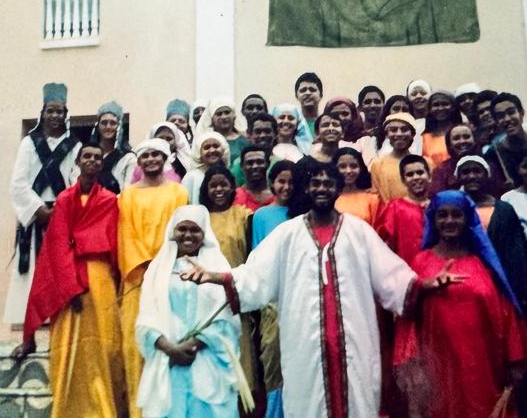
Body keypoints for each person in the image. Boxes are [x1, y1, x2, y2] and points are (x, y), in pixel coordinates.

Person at [178, 158, 425, 418]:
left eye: (328, 184)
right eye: (316, 183)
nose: (322, 188)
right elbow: (255, 275)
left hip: (355, 343)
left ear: (337, 189)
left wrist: (423, 285)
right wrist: (217, 277)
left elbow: (390, 274)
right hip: (304, 343)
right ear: (306, 188)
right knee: (307, 397)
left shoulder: (359, 232)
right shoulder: (288, 234)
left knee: (357, 397)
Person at [393, 191, 527, 418]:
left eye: (456, 215)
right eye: (442, 215)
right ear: (433, 220)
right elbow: (406, 316)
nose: (449, 221)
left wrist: (514, 359)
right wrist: (425, 287)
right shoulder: (420, 262)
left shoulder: (484, 264)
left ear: (468, 219)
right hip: (436, 366)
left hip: (482, 367)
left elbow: (505, 314)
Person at [9, 144, 124, 416]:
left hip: (100, 276)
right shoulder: (64, 199)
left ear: (101, 164)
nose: (93, 161)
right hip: (69, 276)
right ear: (78, 163)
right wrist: (70, 288)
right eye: (87, 156)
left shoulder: (110, 200)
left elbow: (113, 241)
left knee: (105, 342)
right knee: (69, 344)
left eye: (97, 158)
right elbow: (59, 243)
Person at [136, 206, 242, 417]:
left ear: (205, 233)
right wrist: (170, 349)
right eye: (182, 229)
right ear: (172, 231)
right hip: (169, 361)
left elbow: (226, 316)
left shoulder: (217, 267)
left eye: (195, 230)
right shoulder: (157, 270)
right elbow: (145, 318)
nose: (188, 235)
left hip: (207, 358)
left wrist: (193, 344)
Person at [120, 139, 191, 418]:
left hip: (171, 274)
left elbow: (182, 232)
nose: (150, 159)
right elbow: (126, 235)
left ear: (165, 158)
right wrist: (148, 266)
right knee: (137, 344)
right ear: (139, 161)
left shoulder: (178, 192)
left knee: (172, 337)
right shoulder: (127, 196)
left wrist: (166, 264)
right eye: (145, 155)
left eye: (156, 155)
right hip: (138, 277)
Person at [6, 82, 80, 325]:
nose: (55, 115)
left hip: (62, 214)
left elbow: (76, 181)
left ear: (65, 114)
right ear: (43, 113)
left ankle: (57, 322)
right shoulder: (29, 143)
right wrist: (40, 211)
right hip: (36, 214)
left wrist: (60, 210)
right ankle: (28, 325)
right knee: (31, 269)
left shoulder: (75, 146)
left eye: (60, 111)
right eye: (51, 111)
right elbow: (18, 182)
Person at [198, 166, 260, 411]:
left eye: (223, 184)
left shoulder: (244, 216)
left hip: (236, 293)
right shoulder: (201, 219)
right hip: (206, 295)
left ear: (232, 187)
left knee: (241, 354)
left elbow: (251, 255)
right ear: (205, 189)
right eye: (213, 185)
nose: (219, 190)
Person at [453, 156, 527, 313]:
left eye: (477, 171)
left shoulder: (504, 210)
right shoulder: (453, 210)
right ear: (458, 177)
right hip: (465, 285)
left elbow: (516, 253)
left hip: (500, 285)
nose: (472, 176)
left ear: (486, 175)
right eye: (466, 172)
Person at [251, 161, 294, 418]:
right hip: (272, 302)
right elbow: (258, 257)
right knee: (273, 362)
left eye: (291, 182)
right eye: (281, 181)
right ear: (272, 183)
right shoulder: (261, 216)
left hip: (299, 297)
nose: (286, 187)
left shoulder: (303, 212)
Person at [375, 155, 433, 264]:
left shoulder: (437, 206)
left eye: (420, 172)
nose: (416, 177)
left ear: (429, 176)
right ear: (403, 180)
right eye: (410, 174)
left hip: (433, 268)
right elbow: (383, 243)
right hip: (404, 268)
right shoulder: (394, 207)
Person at [368, 112, 419, 204]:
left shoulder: (423, 163)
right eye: (393, 130)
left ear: (412, 134)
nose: (399, 134)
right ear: (387, 134)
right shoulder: (378, 164)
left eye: (404, 129)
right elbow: (376, 197)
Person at [92, 101, 136, 192]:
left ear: (119, 126)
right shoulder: (88, 155)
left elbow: (128, 190)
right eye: (104, 123)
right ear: (98, 126)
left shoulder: (128, 158)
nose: (108, 127)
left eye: (113, 123)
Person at [332, 147, 380, 225]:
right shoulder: (329, 199)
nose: (348, 171)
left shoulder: (372, 198)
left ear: (361, 169)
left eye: (353, 166)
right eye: (342, 166)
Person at [182, 132, 232, 204]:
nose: (212, 150)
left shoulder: (228, 174)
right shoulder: (191, 177)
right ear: (199, 153)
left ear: (224, 150)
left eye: (216, 146)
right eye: (207, 147)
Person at [428, 123, 476, 194]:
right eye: (456, 138)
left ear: (475, 140)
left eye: (466, 137)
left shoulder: (488, 164)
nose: (462, 141)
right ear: (449, 144)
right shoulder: (441, 170)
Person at [419, 90, 461, 170]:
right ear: (430, 109)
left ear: (453, 107)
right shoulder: (423, 138)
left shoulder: (462, 134)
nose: (440, 108)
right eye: (436, 105)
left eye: (445, 104)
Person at [231, 113, 277, 186]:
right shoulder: (239, 163)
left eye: (267, 131)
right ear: (249, 135)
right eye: (258, 132)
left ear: (275, 134)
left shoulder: (280, 163)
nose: (262, 135)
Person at [233, 146, 274, 211]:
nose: (255, 166)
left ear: (268, 164)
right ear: (242, 166)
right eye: (249, 163)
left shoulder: (278, 196)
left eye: (260, 162)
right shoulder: (234, 197)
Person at [294, 72, 324, 142]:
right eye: (303, 90)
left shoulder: (328, 124)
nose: (307, 93)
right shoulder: (293, 125)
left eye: (312, 90)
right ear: (296, 96)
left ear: (321, 95)